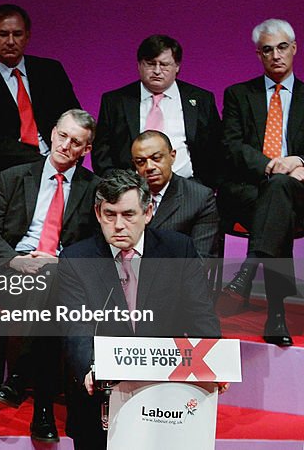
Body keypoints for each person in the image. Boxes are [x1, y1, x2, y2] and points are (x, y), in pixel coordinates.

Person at [54, 170, 221, 450]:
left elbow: (199, 314)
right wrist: (90, 368)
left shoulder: (178, 250)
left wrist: (214, 363)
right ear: (97, 213)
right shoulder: (75, 258)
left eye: (129, 214)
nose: (118, 225)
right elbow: (76, 326)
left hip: (164, 394)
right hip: (99, 396)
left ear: (148, 212)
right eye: (110, 214)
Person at [0, 109, 101, 442]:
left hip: (62, 277)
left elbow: (96, 247)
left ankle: (21, 378)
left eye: (76, 142)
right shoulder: (15, 177)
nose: (65, 145)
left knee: (55, 285)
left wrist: (62, 264)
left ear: (86, 150)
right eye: (62, 136)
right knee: (54, 299)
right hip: (12, 276)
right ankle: (41, 408)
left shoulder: (94, 189)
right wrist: (16, 261)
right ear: (53, 133)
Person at [218, 19, 302, 346]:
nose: (276, 55)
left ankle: (250, 268)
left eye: (282, 47)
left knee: (280, 194)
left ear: (294, 48)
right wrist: (271, 166)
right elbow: (231, 146)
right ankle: (276, 314)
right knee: (276, 194)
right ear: (259, 54)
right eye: (267, 50)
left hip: (300, 191)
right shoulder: (239, 95)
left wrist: (300, 163)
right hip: (251, 189)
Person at [0, 4, 80, 226]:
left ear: (27, 36)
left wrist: (67, 155)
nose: (10, 41)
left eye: (17, 34)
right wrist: (44, 162)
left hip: (60, 159)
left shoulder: (51, 71)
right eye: (3, 34)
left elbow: (76, 118)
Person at [93, 35, 222, 187]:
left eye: (164, 64)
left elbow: (216, 149)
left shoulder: (201, 100)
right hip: (131, 191)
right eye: (150, 64)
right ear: (139, 65)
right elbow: (102, 153)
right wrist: (120, 187)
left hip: (189, 189)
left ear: (177, 66)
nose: (157, 71)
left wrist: (203, 188)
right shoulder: (115, 101)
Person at [131, 130, 218, 257]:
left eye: (156, 158)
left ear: (172, 156)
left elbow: (200, 259)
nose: (149, 167)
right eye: (141, 162)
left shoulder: (200, 198)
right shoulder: (126, 196)